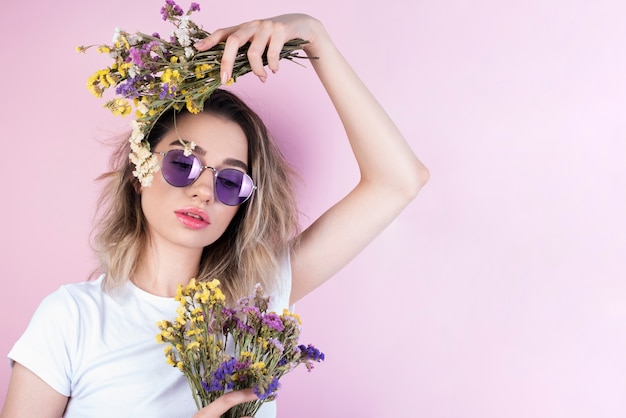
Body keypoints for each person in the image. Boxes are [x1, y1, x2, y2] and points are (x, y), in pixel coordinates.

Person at [0, 12, 429, 418]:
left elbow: (399, 180)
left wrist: (315, 38)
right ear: (139, 172)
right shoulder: (73, 318)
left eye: (230, 181)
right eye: (182, 163)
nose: (204, 190)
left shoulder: (257, 300)